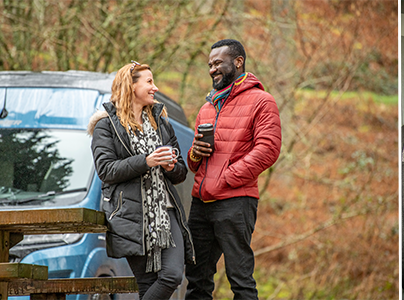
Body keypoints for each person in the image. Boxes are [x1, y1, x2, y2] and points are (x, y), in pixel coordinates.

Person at [185, 39, 282, 300]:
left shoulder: (262, 101)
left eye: (218, 63)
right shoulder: (207, 107)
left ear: (238, 62)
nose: (212, 69)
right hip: (201, 204)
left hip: (236, 201)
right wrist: (195, 153)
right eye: (209, 65)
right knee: (196, 281)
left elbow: (268, 150)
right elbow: (193, 164)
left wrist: (225, 179)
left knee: (240, 280)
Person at [89, 61, 194, 300]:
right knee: (147, 285)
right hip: (130, 216)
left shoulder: (162, 124)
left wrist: (170, 166)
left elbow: (180, 172)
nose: (155, 87)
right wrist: (146, 161)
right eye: (149, 82)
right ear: (131, 86)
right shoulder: (105, 126)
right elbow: (106, 170)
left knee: (172, 275)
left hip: (166, 212)